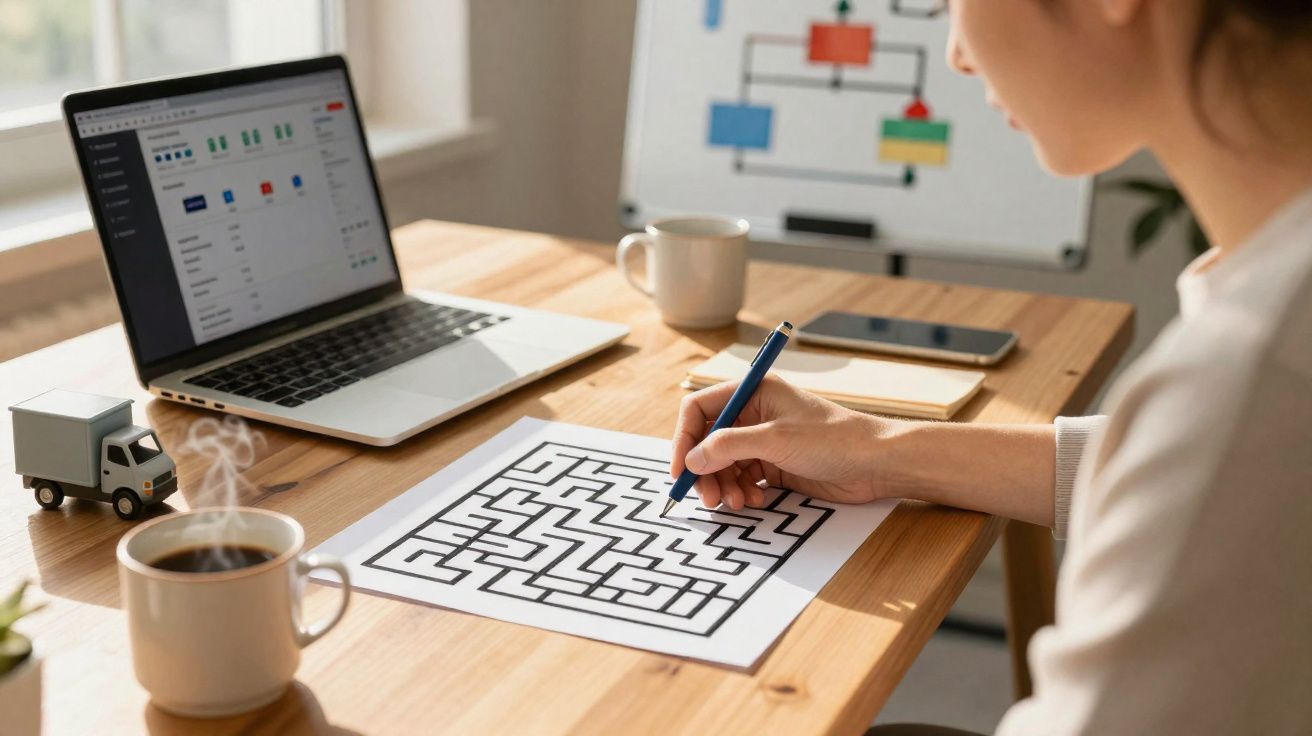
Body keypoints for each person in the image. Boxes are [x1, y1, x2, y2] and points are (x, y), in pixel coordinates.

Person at [670, 1, 1312, 733]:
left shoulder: (1253, 384)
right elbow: (1185, 467)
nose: (956, 55)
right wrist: (876, 449)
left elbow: (1214, 455)